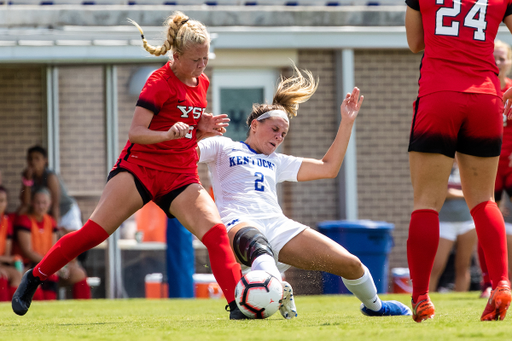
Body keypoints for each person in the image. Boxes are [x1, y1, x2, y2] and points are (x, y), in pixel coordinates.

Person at [12, 11, 243, 319]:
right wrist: (167, 133)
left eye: (205, 59)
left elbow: (186, 119)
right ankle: (35, 277)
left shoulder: (201, 81)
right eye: (195, 60)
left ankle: (240, 306)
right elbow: (136, 131)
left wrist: (204, 124)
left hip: (180, 174)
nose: (202, 66)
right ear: (176, 55)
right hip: (141, 168)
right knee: (93, 234)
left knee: (216, 234)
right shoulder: (158, 82)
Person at [198, 65, 412, 319]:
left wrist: (347, 121)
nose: (279, 137)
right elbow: (184, 155)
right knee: (259, 248)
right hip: (238, 223)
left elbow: (329, 168)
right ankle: (275, 286)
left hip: (277, 226)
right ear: (254, 125)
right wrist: (196, 130)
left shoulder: (277, 161)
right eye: (274, 129)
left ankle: (376, 306)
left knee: (351, 264)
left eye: (284, 133)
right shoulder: (223, 147)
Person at [405, 0, 512, 322]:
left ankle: (422, 296)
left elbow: (415, 44)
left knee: (426, 203)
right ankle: (502, 282)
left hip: (439, 95)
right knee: (484, 200)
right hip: (486, 97)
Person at [479, 40, 512, 299]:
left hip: (510, 163)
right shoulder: (480, 89)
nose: (499, 62)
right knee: (486, 218)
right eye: (495, 58)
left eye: (503, 58)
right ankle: (489, 281)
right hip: (486, 162)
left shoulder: (511, 89)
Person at [15, 188, 90, 300]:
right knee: (45, 276)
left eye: (44, 203)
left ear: (49, 204)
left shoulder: (51, 221)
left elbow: (55, 248)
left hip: (48, 264)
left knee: (79, 274)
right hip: (30, 265)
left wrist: (63, 265)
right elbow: (28, 251)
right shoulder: (25, 220)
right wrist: (49, 265)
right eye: (38, 203)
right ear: (32, 203)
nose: (41, 206)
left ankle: (86, 311)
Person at [429, 161, 477, 293]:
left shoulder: (467, 170)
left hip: (467, 223)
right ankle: (425, 300)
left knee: (463, 266)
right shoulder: (440, 169)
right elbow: (442, 192)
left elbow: (477, 190)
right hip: (444, 223)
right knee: (436, 266)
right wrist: (464, 194)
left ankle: (460, 301)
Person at [18, 145, 83, 235]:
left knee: (74, 241)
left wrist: (54, 230)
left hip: (66, 212)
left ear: (45, 160)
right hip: (49, 214)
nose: (33, 162)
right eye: (30, 159)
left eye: (37, 159)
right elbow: (26, 203)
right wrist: (27, 181)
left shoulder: (50, 176)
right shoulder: (28, 176)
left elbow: (55, 205)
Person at [0, 186, 22, 301]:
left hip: (1, 262)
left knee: (17, 274)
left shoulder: (6, 221)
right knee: (1, 276)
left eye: (2, 200)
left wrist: (11, 260)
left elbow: (6, 254)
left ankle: (14, 309)